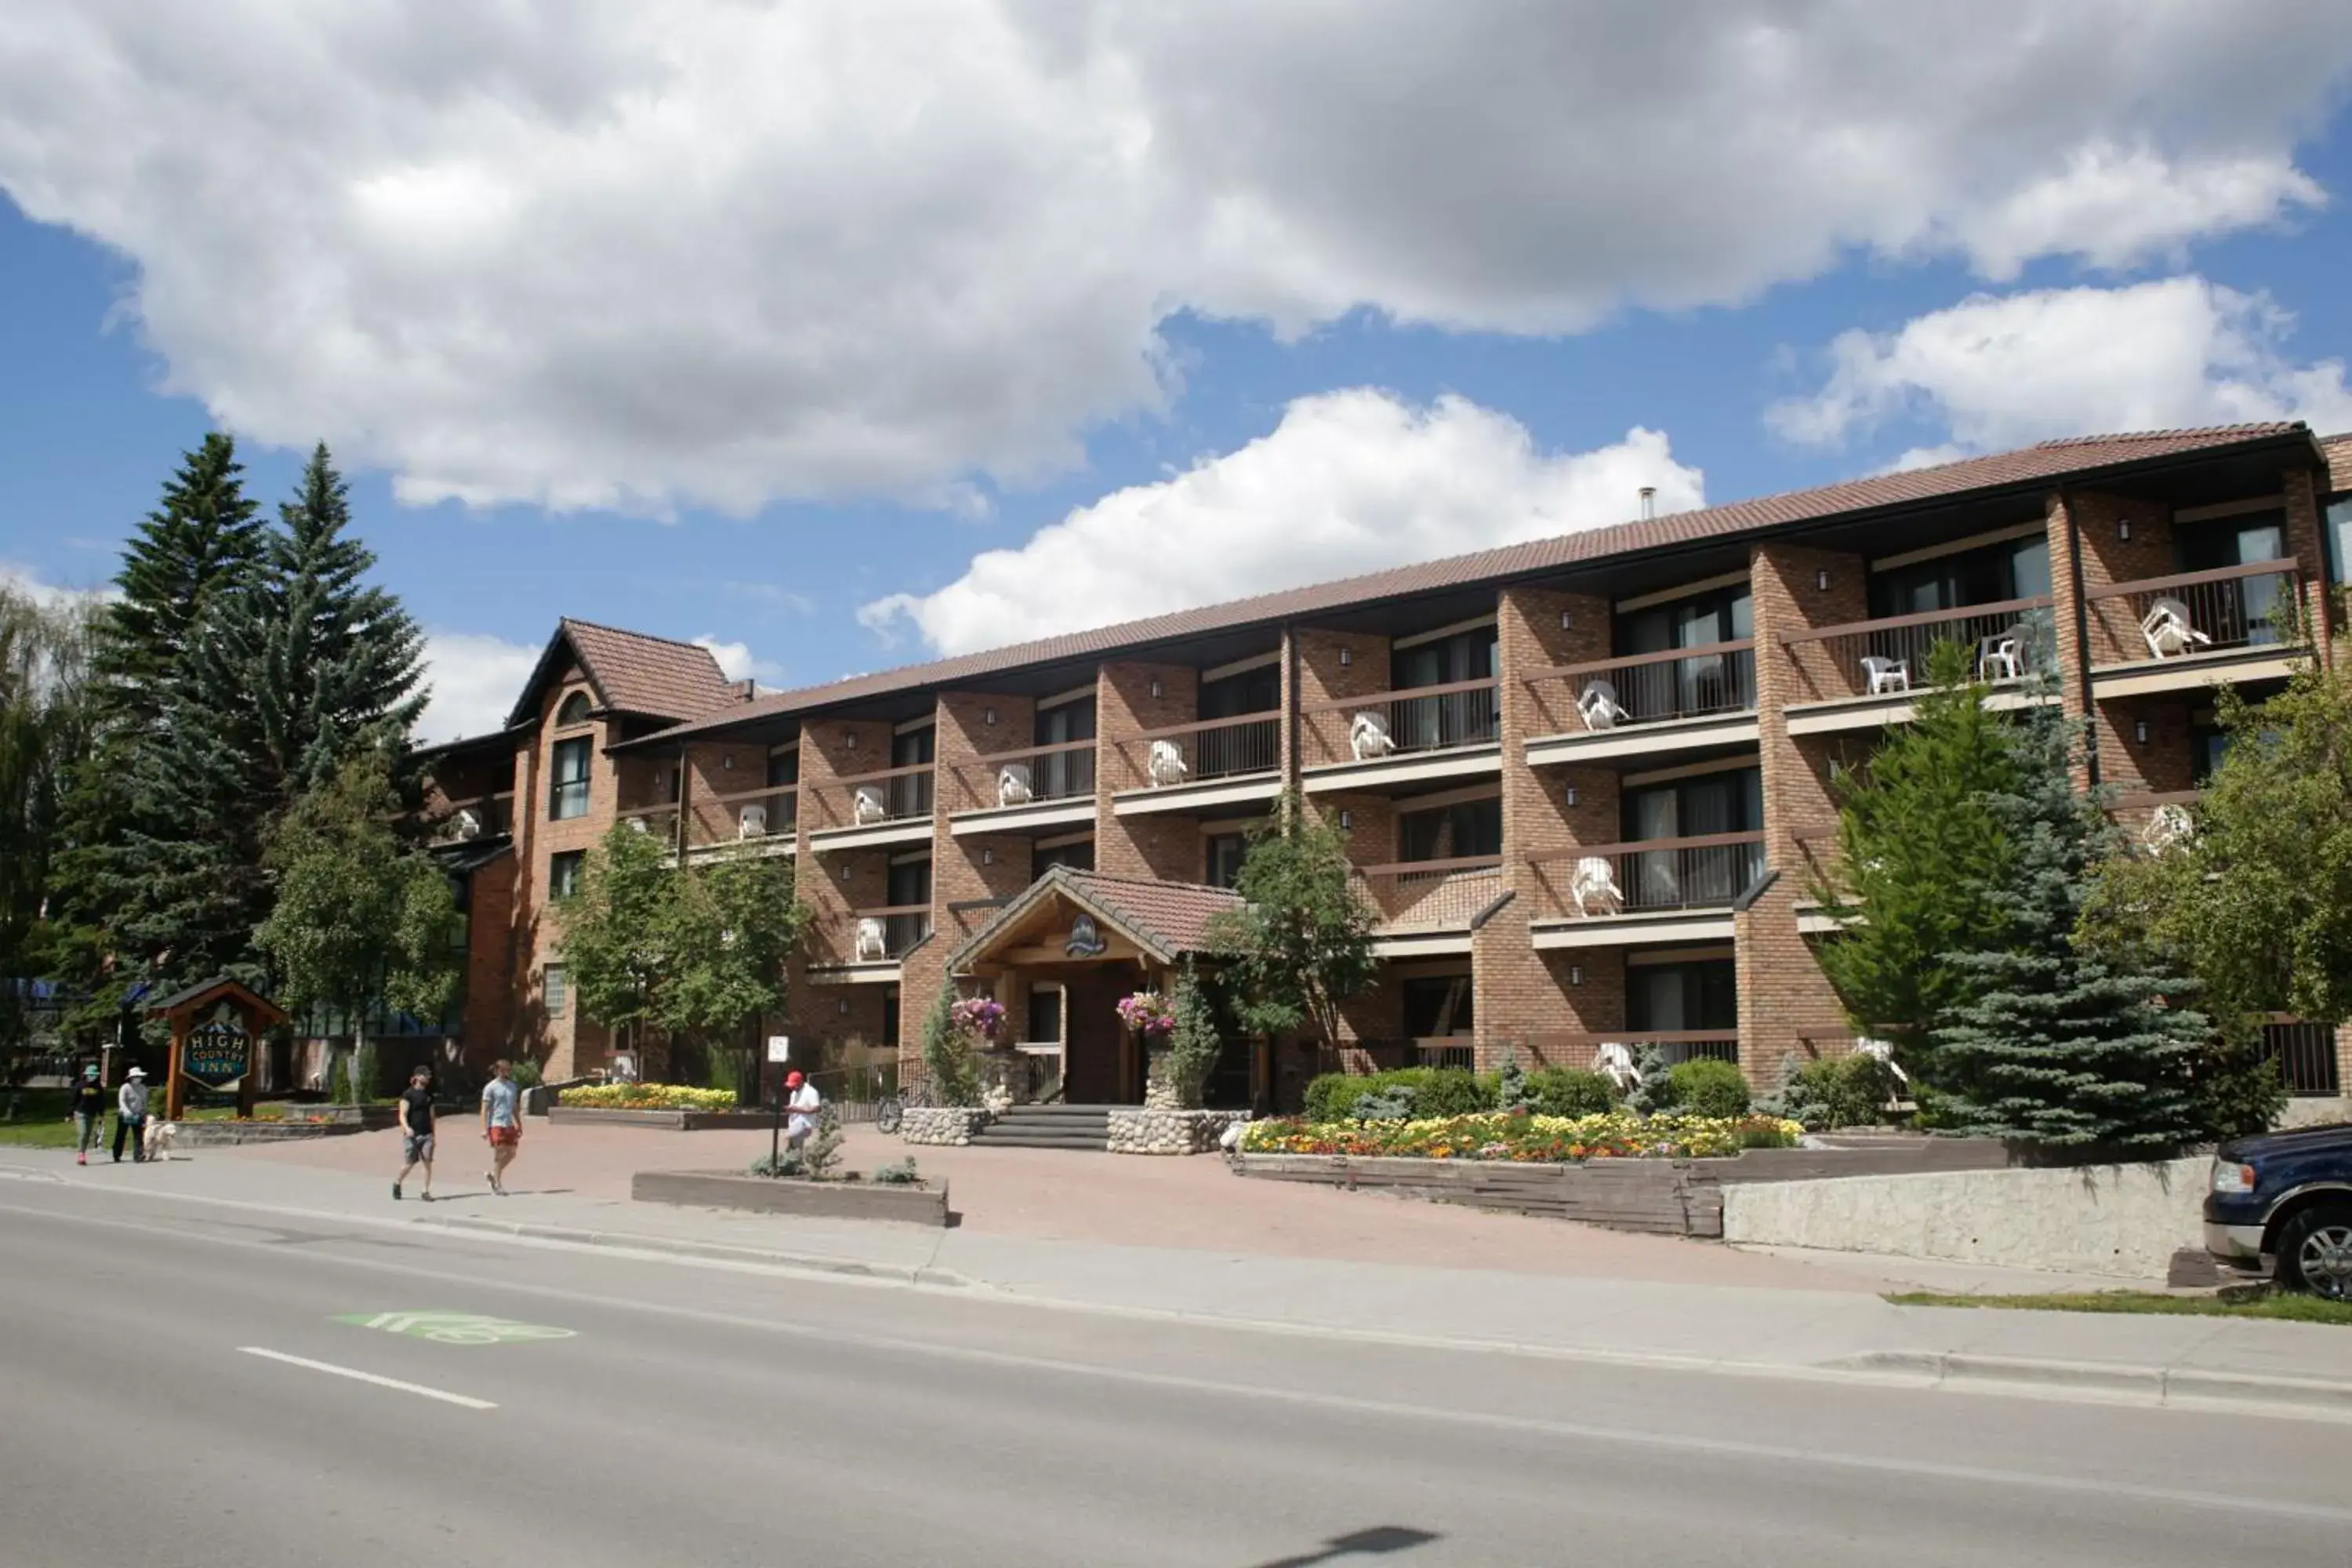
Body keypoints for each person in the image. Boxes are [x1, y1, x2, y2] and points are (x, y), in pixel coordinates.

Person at [394, 1065, 436, 1201]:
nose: (428, 1078)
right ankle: (398, 1182)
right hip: (412, 1134)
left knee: (427, 1161)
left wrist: (433, 1134)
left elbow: (432, 1116)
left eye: (429, 1076)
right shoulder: (408, 1094)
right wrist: (407, 1128)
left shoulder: (429, 1096)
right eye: (425, 1075)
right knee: (410, 1162)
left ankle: (425, 1191)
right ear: (417, 1077)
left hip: (427, 1133)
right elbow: (402, 1115)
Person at [481, 1059, 521, 1196]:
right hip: (496, 1124)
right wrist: (484, 1128)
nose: (507, 1072)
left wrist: (519, 1123)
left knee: (512, 1153)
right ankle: (497, 1184)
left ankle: (493, 1174)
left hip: (508, 1124)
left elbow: (514, 1106)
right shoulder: (491, 1087)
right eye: (504, 1070)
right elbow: (484, 1109)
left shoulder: (512, 1086)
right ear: (498, 1070)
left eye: (509, 1070)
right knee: (499, 1153)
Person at [111, 1065, 149, 1165]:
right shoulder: (125, 1087)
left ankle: (138, 1155)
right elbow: (122, 1101)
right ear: (131, 1078)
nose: (137, 1078)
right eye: (135, 1076)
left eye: (139, 1076)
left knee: (138, 1135)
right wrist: (127, 1111)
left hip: (137, 1115)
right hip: (125, 1115)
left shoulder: (143, 1088)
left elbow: (144, 1102)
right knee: (121, 1135)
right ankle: (117, 1155)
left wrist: (144, 1112)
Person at [70, 1065, 105, 1166]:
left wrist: (101, 1114)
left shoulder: (98, 1087)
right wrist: (69, 1113)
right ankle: (81, 1154)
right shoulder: (80, 1085)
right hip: (80, 1112)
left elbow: (101, 1102)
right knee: (83, 1133)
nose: (92, 1077)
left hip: (92, 1113)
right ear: (86, 1075)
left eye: (94, 1075)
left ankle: (83, 1152)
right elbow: (73, 1100)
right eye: (90, 1075)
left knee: (88, 1135)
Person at [784, 1069, 821, 1155]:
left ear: (800, 1082)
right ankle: (797, 1162)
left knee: (791, 1141)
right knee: (795, 1148)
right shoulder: (794, 1093)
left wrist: (798, 1110)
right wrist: (790, 1109)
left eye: (794, 1085)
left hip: (805, 1124)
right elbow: (794, 1107)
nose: (792, 1088)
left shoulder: (811, 1092)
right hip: (794, 1123)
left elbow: (817, 1108)